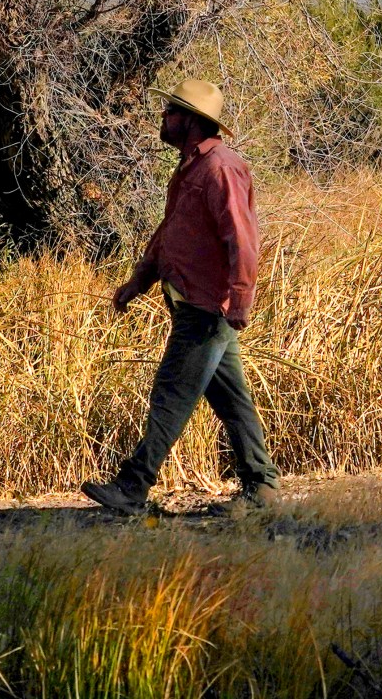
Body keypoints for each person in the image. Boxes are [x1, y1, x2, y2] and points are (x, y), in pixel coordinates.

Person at [84, 79, 280, 512]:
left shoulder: (221, 169)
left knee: (172, 393)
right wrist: (139, 281)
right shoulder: (190, 167)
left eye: (170, 112)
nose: (163, 119)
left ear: (190, 121)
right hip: (194, 302)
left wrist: (240, 298)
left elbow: (242, 241)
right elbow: (170, 233)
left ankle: (132, 487)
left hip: (208, 307)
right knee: (231, 400)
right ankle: (262, 487)